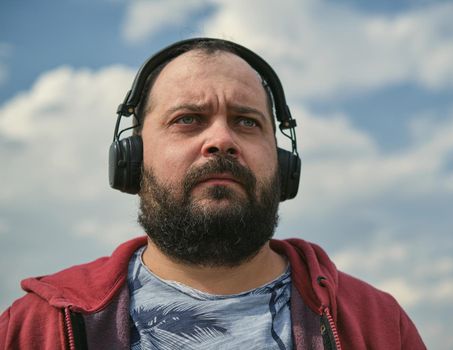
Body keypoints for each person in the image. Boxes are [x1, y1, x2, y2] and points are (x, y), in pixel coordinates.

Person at [0, 38, 426, 349]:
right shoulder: (37, 326)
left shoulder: (379, 324)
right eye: (188, 119)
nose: (221, 140)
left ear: (284, 165)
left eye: (246, 122)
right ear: (133, 156)